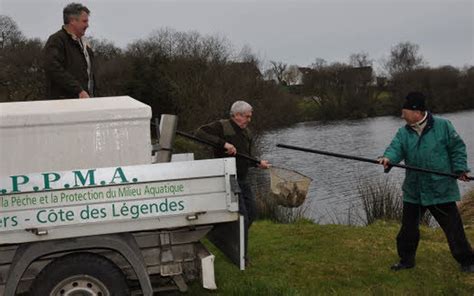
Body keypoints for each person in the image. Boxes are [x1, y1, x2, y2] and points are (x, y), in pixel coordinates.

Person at [379, 91, 474, 272]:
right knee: (408, 230)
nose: (401, 115)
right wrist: (387, 158)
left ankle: (468, 261)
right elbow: (395, 149)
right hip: (414, 190)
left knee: (454, 229)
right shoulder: (403, 132)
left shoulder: (443, 126)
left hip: (440, 188)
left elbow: (457, 149)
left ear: (416, 111)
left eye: (404, 112)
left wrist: (460, 169)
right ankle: (406, 261)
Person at [196, 100, 270, 264]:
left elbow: (245, 157)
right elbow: (199, 133)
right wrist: (224, 144)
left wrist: (257, 163)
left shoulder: (246, 133)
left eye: (250, 117)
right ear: (236, 115)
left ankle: (224, 237)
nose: (249, 120)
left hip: (242, 179)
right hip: (229, 178)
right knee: (242, 217)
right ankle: (241, 256)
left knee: (252, 213)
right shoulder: (222, 126)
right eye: (246, 117)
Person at [43, 3, 97, 100]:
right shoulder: (56, 40)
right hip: (64, 104)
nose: (87, 25)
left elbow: (91, 75)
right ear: (72, 21)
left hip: (86, 102)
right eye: (84, 21)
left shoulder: (85, 44)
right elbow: (53, 68)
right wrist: (78, 90)